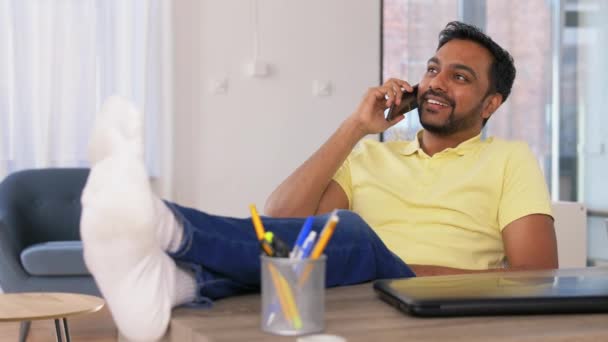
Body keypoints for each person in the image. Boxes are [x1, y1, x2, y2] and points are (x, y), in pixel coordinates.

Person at [81, 21, 557, 341]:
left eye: (459, 77)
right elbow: (280, 220)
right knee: (299, 254)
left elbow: (537, 277)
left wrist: (419, 274)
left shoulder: (510, 159)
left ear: (491, 104)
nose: (436, 82)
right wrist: (356, 127)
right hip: (355, 293)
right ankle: (176, 284)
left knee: (350, 232)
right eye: (433, 69)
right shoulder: (371, 155)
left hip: (427, 301)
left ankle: (165, 224)